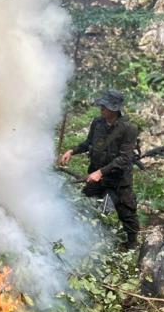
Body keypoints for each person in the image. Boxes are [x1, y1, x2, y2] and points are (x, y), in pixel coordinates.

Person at [59, 90, 140, 249]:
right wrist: (72, 151)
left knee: (127, 213)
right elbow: (88, 143)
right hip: (96, 175)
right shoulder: (97, 123)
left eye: (105, 106)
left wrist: (101, 172)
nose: (101, 109)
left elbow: (124, 158)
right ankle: (83, 239)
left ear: (115, 109)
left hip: (118, 180)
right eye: (102, 105)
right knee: (84, 205)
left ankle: (132, 246)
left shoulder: (129, 129)